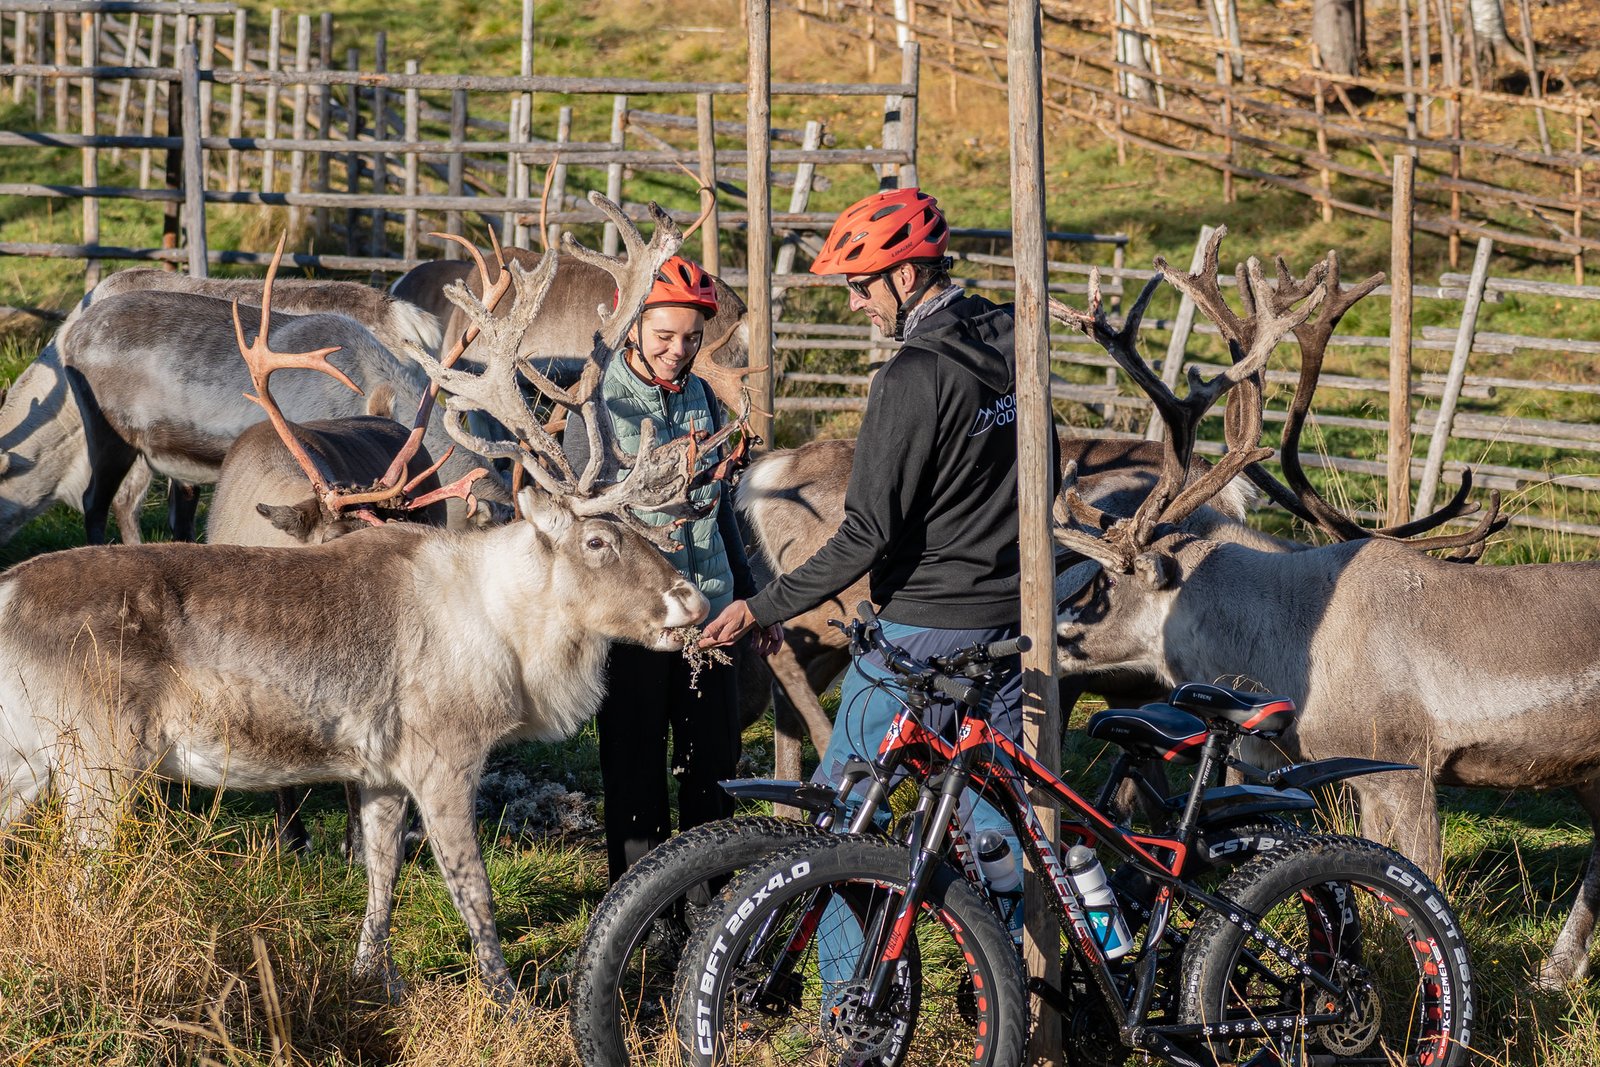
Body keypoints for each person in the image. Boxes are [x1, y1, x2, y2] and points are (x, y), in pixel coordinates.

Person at [700, 187, 1057, 904]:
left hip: (920, 628)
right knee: (997, 823)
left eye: (861, 287)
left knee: (843, 823)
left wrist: (761, 604)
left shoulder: (911, 374)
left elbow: (864, 533)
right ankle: (1016, 991)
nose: (855, 304)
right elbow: (1042, 460)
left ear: (904, 277)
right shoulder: (1013, 333)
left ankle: (848, 1009)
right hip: (1010, 622)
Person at [564, 255, 781, 883]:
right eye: (664, 336)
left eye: (691, 338)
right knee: (634, 776)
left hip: (707, 622)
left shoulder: (705, 402)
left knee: (712, 771)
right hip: (634, 627)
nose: (678, 351)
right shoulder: (597, 411)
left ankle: (709, 912)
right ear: (632, 327)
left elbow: (723, 518)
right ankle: (642, 917)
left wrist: (755, 599)